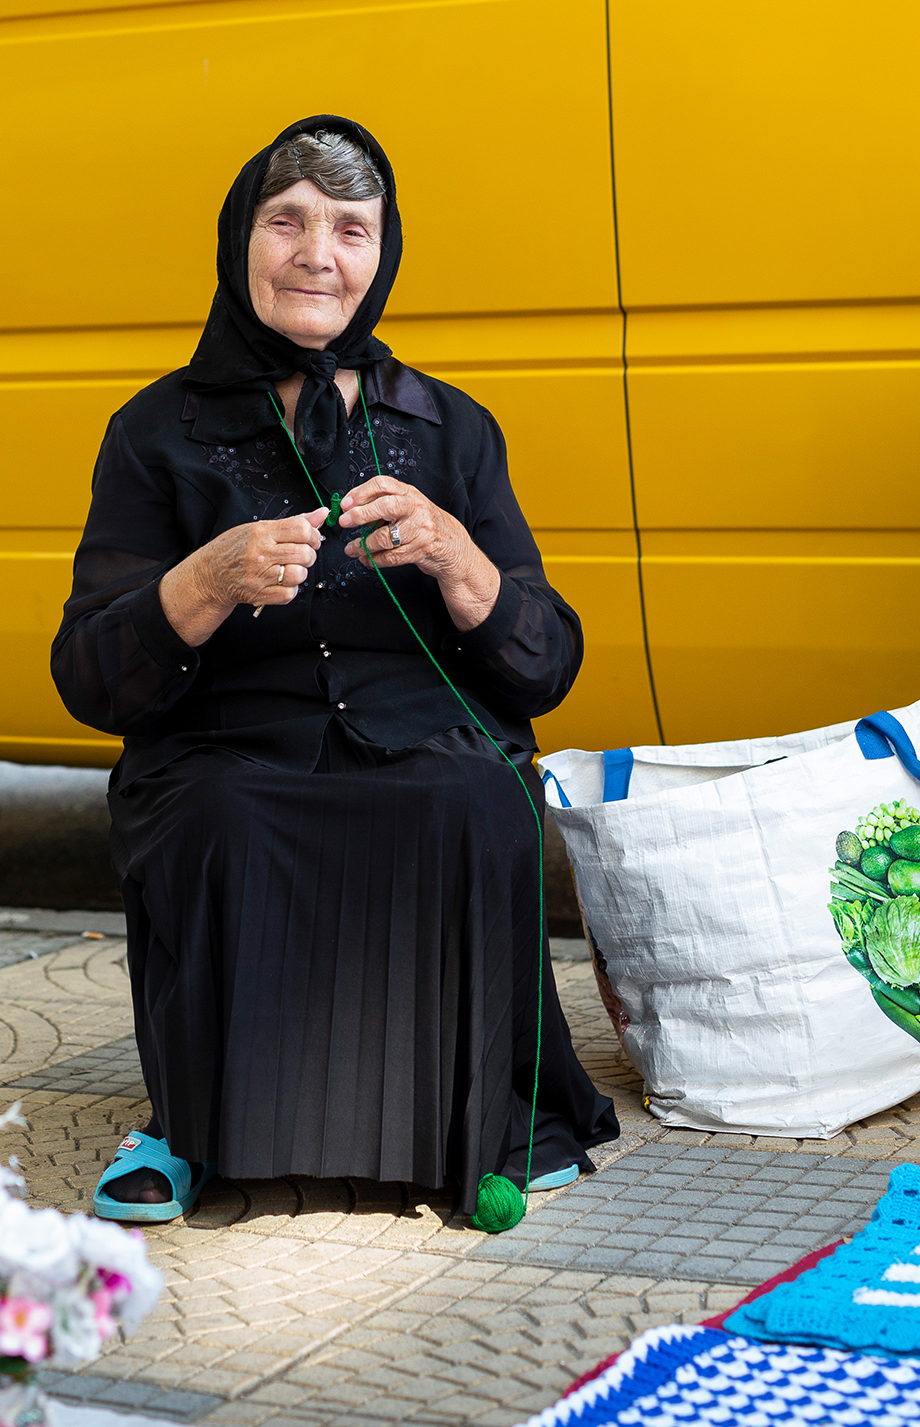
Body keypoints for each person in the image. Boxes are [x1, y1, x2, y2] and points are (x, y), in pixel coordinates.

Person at [52, 115, 619, 1224]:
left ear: (382, 251)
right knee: (217, 812)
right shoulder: (152, 431)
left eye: (349, 228)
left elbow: (544, 663)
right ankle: (189, 1130)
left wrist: (459, 558)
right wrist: (201, 583)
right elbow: (87, 674)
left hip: (417, 740)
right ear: (240, 240)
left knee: (467, 798)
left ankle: (485, 1115)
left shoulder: (448, 426)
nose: (318, 253)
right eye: (288, 221)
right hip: (225, 751)